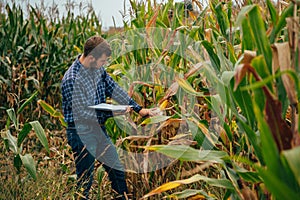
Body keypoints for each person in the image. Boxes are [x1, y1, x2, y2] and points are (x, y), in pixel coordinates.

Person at [61, 35, 152, 199]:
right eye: (102, 61)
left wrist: (138, 109)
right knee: (85, 180)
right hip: (81, 132)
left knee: (116, 169)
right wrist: (113, 112)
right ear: (91, 57)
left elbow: (113, 89)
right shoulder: (71, 80)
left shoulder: (97, 70)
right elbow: (82, 114)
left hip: (98, 130)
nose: (104, 64)